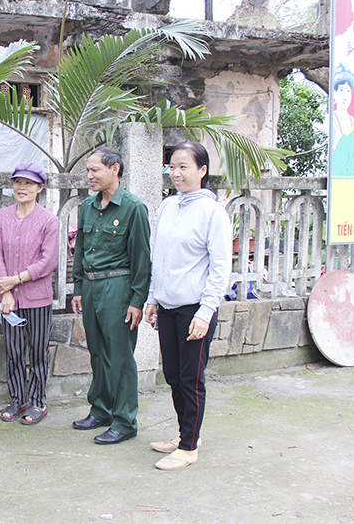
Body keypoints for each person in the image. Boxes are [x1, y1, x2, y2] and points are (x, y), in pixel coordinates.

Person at [143, 142, 231, 471]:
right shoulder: (168, 206)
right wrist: (152, 297)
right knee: (172, 375)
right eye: (172, 166)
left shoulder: (213, 213)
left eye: (184, 166)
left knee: (190, 378)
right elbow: (159, 257)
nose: (176, 173)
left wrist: (206, 313)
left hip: (195, 309)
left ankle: (189, 447)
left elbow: (220, 268)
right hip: (167, 307)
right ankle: (185, 434)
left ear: (202, 170)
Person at [70, 147, 151, 445]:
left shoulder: (133, 208)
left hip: (118, 287)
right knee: (98, 353)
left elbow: (142, 259)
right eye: (88, 170)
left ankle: (125, 421)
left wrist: (137, 301)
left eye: (95, 170)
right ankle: (101, 410)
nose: (89, 176)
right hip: (91, 287)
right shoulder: (87, 207)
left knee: (120, 357)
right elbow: (80, 250)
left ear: (114, 169)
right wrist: (79, 288)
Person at [0, 163, 59, 425]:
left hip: (38, 298)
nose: (22, 187)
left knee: (38, 352)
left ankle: (38, 402)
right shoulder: (2, 217)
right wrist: (6, 292)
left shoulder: (48, 220)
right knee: (14, 351)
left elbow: (48, 261)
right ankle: (18, 399)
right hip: (10, 299)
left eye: (29, 183)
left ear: (39, 188)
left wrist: (17, 279)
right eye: (18, 182)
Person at [331, 64, 354, 152]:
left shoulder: (353, 121)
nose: (345, 95)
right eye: (341, 90)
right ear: (335, 93)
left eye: (348, 90)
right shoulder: (332, 119)